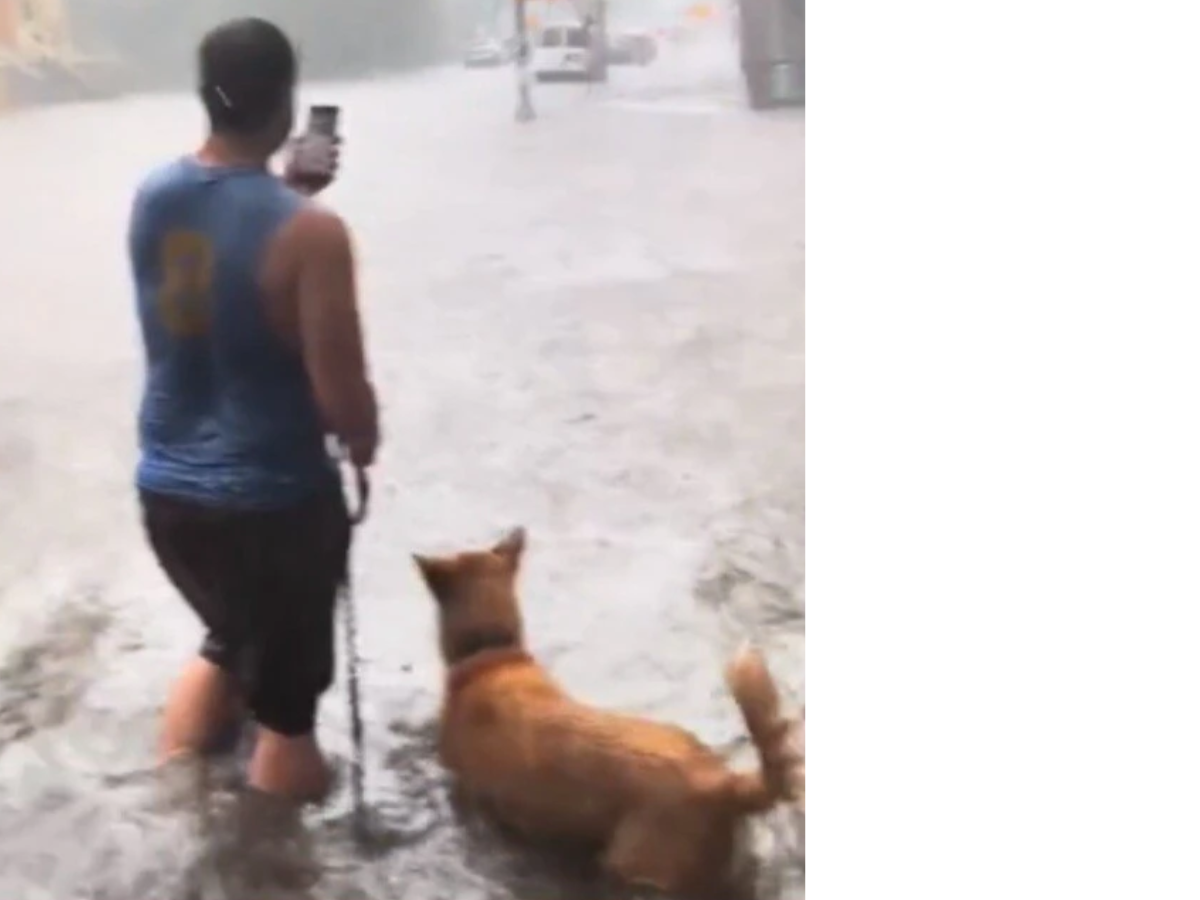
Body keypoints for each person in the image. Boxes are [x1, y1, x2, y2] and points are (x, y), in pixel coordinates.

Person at [128, 17, 379, 801]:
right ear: (286, 103)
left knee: (231, 642)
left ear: (207, 96)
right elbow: (341, 397)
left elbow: (224, 276)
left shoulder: (154, 197)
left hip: (170, 500)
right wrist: (366, 444)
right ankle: (272, 866)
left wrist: (283, 186)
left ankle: (174, 801)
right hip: (271, 508)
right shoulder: (313, 233)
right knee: (286, 716)